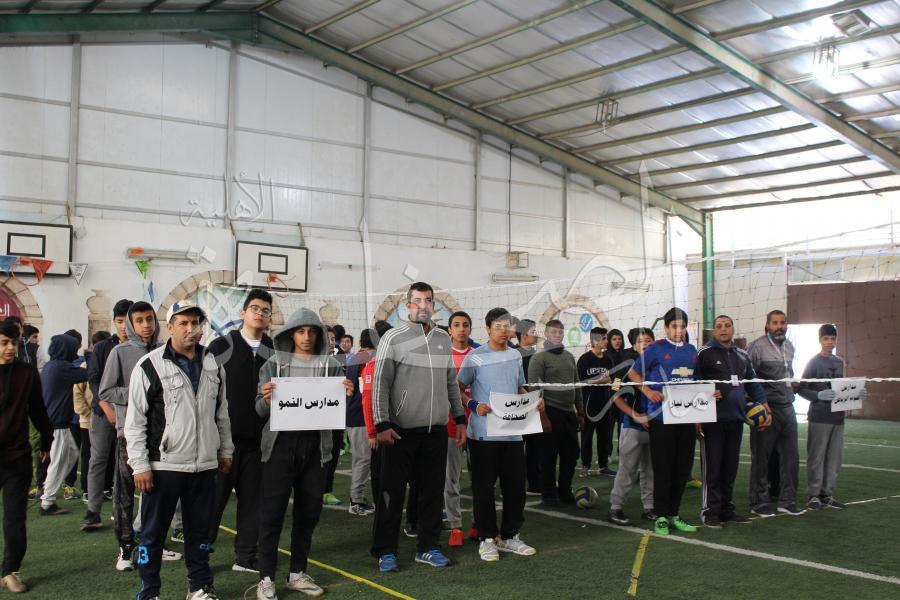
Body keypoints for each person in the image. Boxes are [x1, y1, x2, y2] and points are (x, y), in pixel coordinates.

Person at [125, 301, 233, 600]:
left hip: (205, 466)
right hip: (164, 466)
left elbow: (221, 412)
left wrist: (225, 450)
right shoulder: (149, 365)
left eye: (195, 323)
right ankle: (149, 592)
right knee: (152, 535)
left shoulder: (213, 364)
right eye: (183, 323)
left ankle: (199, 587)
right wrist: (140, 465)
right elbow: (135, 420)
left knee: (200, 533)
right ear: (170, 327)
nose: (190, 329)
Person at [370, 282, 466, 573]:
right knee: (392, 494)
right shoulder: (393, 338)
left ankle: (428, 547)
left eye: (429, 300)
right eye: (418, 300)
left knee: (431, 494)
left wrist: (460, 418)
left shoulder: (442, 338)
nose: (424, 305)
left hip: (435, 431)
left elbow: (451, 382)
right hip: (400, 432)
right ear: (408, 305)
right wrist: (382, 423)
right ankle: (385, 551)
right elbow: (380, 383)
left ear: (433, 306)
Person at [254, 308, 349, 600]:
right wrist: (267, 399)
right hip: (280, 447)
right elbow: (258, 409)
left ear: (319, 335)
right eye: (300, 331)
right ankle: (266, 577)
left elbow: (337, 410)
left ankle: (297, 573)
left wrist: (347, 393)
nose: (306, 337)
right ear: (290, 334)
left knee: (308, 514)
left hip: (316, 449)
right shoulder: (273, 364)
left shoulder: (332, 366)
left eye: (312, 332)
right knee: (272, 514)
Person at [458, 308, 538, 562]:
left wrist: (531, 401)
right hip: (483, 435)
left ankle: (510, 536)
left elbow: (518, 387)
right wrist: (473, 405)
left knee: (515, 489)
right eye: (498, 326)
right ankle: (487, 538)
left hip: (512, 433)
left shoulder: (515, 355)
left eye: (507, 326)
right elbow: (457, 387)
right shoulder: (475, 356)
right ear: (488, 328)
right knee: (484, 489)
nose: (504, 331)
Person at [207, 289, 274, 572]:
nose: (260, 314)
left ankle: (246, 557)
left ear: (270, 318)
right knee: (211, 504)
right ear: (243, 313)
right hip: (223, 444)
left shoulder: (275, 350)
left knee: (253, 505)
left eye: (265, 310)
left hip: (260, 443)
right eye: (255, 308)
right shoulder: (220, 346)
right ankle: (200, 555)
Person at [628, 308, 699, 536]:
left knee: (682, 470)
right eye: (674, 326)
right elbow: (633, 373)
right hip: (661, 418)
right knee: (663, 470)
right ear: (666, 327)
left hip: (686, 417)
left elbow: (697, 382)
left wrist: (705, 404)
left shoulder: (691, 350)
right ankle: (660, 516)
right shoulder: (655, 349)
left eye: (682, 326)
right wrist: (648, 391)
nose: (679, 330)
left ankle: (674, 514)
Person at [694, 315, 767, 527]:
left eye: (727, 326)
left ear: (733, 328)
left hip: (736, 419)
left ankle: (727, 510)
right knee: (713, 469)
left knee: (730, 469)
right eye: (719, 326)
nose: (723, 329)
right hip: (712, 420)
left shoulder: (742, 355)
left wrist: (764, 405)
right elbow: (693, 382)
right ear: (714, 330)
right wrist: (700, 410)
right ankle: (710, 512)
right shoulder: (704, 353)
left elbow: (753, 383)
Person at [0, 321, 51, 593]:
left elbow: (38, 409)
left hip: (16, 456)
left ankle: (10, 570)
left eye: (14, 343)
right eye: (4, 343)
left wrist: (46, 440)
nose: (10, 348)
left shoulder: (27, 372)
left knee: (15, 516)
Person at [747, 310, 805, 517]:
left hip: (788, 407)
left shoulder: (790, 346)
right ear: (767, 325)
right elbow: (749, 379)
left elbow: (787, 373)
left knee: (791, 458)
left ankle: (787, 501)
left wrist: (793, 383)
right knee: (761, 459)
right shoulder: (756, 347)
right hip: (767, 409)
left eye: (783, 323)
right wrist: (757, 405)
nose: (779, 326)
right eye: (775, 323)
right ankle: (759, 503)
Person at [798, 324, 860, 511]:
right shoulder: (813, 362)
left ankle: (826, 494)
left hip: (838, 418)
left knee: (834, 459)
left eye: (833, 339)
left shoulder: (840, 362)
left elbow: (842, 389)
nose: (830, 342)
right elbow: (801, 388)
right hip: (819, 417)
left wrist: (856, 394)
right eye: (826, 339)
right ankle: (813, 495)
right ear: (820, 340)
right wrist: (817, 396)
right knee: (816, 457)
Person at [85, 299, 132, 525]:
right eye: (119, 321)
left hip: (132, 414)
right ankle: (93, 511)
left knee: (125, 464)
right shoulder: (103, 347)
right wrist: (107, 408)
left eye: (127, 321)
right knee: (98, 459)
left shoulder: (140, 347)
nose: (124, 326)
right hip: (103, 413)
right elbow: (94, 380)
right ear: (114, 322)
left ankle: (120, 510)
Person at [528, 319, 580, 507]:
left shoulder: (569, 356)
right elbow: (534, 390)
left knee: (571, 454)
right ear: (546, 334)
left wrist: (580, 412)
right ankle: (548, 494)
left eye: (560, 332)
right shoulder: (539, 358)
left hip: (569, 413)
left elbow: (577, 385)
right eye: (553, 332)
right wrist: (543, 418)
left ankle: (565, 491)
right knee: (548, 456)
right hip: (549, 411)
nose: (557, 335)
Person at [608, 328, 656, 526]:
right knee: (627, 470)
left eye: (649, 340)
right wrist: (634, 415)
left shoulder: (659, 365)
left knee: (651, 470)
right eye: (641, 341)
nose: (646, 344)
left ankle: (649, 507)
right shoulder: (624, 368)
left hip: (655, 427)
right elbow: (614, 394)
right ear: (634, 346)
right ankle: (615, 507)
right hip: (632, 427)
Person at [39, 333, 89, 516]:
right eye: (73, 348)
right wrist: (92, 356)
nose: (75, 352)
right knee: (58, 462)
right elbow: (88, 373)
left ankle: (48, 488)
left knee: (71, 455)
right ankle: (47, 502)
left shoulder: (51, 366)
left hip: (56, 422)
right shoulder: (62, 368)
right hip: (57, 424)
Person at [446, 310, 473, 546]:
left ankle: (478, 523)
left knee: (481, 479)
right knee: (451, 480)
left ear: (470, 329)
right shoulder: (442, 357)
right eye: (457, 325)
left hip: (478, 425)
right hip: (451, 426)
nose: (461, 329)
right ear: (449, 330)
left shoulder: (479, 355)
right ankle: (455, 526)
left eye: (465, 325)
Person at [344, 329, 376, 517]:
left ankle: (357, 498)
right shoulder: (365, 359)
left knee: (361, 458)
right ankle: (355, 501)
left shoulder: (357, 358)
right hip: (359, 416)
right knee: (363, 458)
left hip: (355, 415)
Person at [577, 327, 616, 478]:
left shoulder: (608, 359)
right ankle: (585, 465)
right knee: (587, 435)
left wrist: (610, 386)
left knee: (604, 435)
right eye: (604, 338)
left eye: (606, 338)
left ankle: (603, 466)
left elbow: (613, 380)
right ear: (595, 340)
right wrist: (600, 380)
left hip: (605, 402)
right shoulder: (585, 359)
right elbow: (580, 381)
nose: (607, 341)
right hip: (589, 403)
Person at [516, 319, 541, 495]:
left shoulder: (537, 355)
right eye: (534, 331)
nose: (537, 334)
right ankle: (513, 482)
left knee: (534, 445)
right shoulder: (513, 354)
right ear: (524, 335)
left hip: (534, 404)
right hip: (516, 405)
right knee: (516, 446)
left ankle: (534, 482)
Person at [322, 326, 345, 506]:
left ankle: (327, 490)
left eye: (332, 339)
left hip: (335, 419)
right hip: (316, 421)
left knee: (333, 455)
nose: (331, 342)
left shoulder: (338, 362)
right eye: (327, 338)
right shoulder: (307, 363)